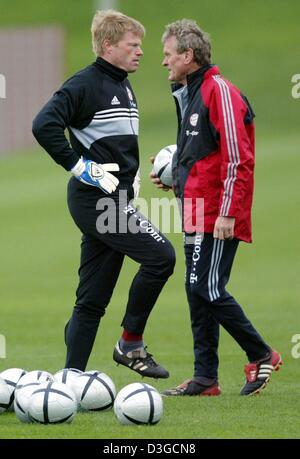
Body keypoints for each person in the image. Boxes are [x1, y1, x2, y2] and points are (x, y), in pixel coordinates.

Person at [32, 10, 175, 378]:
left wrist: (133, 179)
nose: (141, 52)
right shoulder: (84, 84)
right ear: (108, 46)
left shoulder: (123, 83)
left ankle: (70, 381)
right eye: (133, 45)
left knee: (91, 301)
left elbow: (114, 145)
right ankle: (130, 344)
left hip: (116, 200)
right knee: (161, 256)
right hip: (96, 202)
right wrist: (79, 166)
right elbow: (44, 124)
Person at [151, 19, 282, 395]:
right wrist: (173, 176)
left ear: (188, 55)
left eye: (168, 54)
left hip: (217, 213)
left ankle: (261, 355)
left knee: (206, 286)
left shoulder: (219, 91)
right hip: (195, 209)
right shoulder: (189, 93)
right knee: (196, 289)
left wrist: (227, 211)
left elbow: (238, 157)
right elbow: (201, 153)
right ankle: (205, 378)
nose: (164, 62)